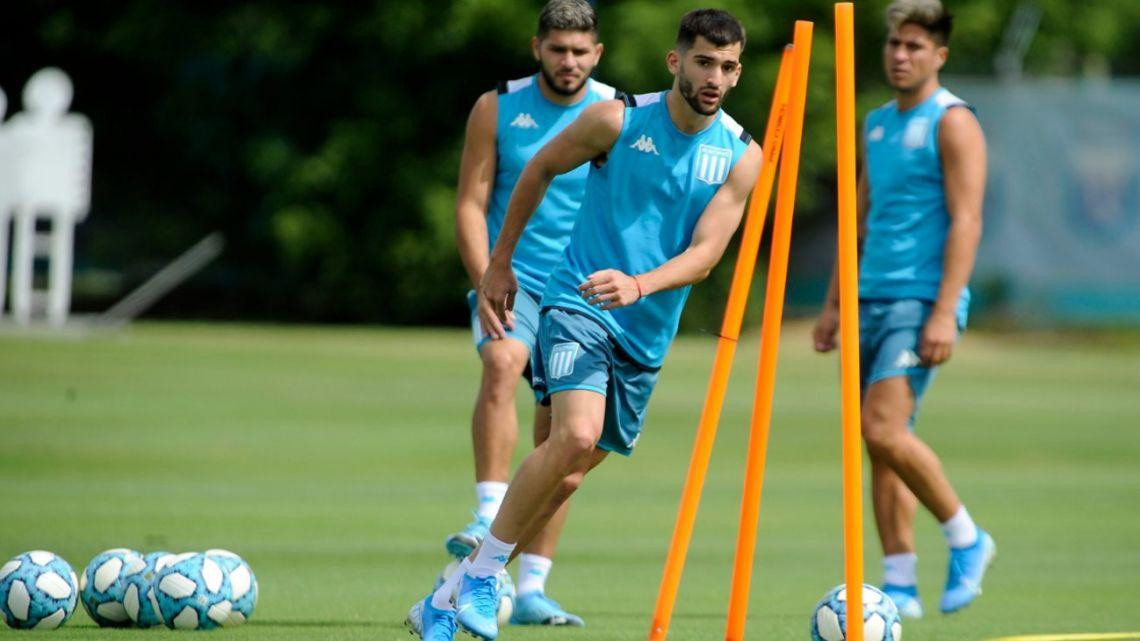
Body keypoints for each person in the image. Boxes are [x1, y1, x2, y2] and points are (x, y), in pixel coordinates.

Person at [407, 9, 763, 641]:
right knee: (573, 436)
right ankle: (488, 578)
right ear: (676, 62)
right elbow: (539, 169)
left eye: (728, 66)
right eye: (704, 61)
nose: (715, 76)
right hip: (577, 303)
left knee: (562, 473)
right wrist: (500, 263)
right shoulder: (617, 120)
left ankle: (449, 594)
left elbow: (706, 256)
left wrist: (641, 285)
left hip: (645, 332)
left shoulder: (741, 154)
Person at [444, 0, 628, 628]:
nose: (569, 61)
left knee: (561, 446)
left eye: (580, 51)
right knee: (502, 360)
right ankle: (487, 510)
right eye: (558, 49)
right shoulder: (497, 106)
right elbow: (471, 201)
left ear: (597, 54)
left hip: (580, 295)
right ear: (537, 48)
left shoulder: (619, 114)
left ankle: (531, 590)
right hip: (512, 281)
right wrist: (488, 272)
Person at [812, 0, 993, 619]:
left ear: (938, 55)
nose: (900, 54)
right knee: (882, 442)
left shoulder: (953, 121)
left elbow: (968, 220)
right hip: (869, 297)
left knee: (883, 428)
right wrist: (836, 303)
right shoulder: (877, 122)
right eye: (894, 44)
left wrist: (945, 311)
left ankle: (967, 537)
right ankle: (901, 582)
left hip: (921, 302)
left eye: (915, 46)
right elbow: (858, 219)